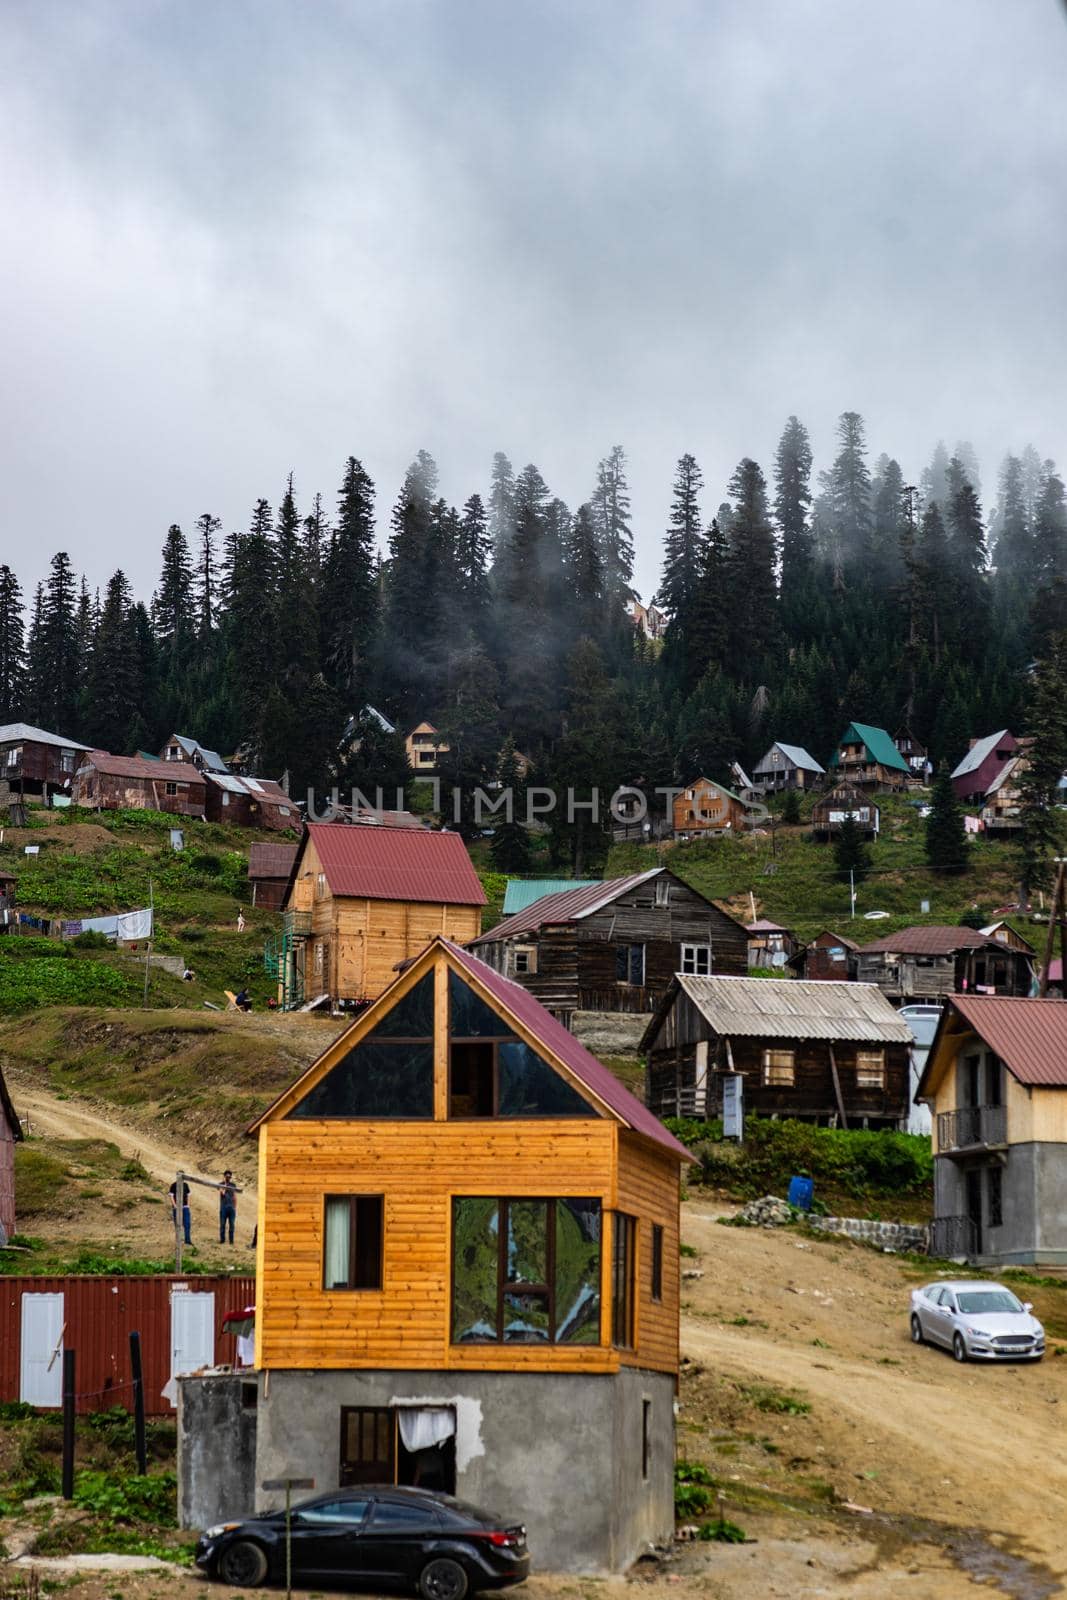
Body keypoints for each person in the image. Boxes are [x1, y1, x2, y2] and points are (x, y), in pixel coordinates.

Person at [169, 1178, 191, 1245]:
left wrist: (188, 1204)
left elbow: (188, 1195)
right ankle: (179, 1240)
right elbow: (171, 1196)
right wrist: (175, 1205)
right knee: (178, 1224)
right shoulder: (173, 1185)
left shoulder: (185, 1185)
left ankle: (187, 1240)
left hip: (185, 1207)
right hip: (177, 1207)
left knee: (187, 1223)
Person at [218, 1171, 237, 1245]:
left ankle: (231, 1240)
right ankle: (222, 1240)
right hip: (223, 1208)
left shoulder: (233, 1185)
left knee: (232, 1224)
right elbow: (222, 1193)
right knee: (222, 1224)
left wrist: (235, 1207)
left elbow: (235, 1196)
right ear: (224, 1176)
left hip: (231, 1208)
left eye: (229, 1177)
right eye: (227, 1176)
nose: (228, 1178)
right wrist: (225, 1184)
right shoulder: (221, 1184)